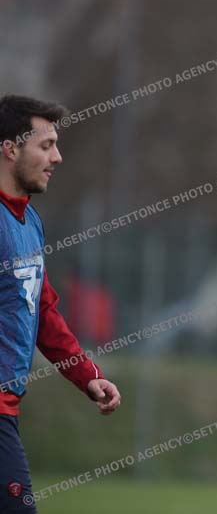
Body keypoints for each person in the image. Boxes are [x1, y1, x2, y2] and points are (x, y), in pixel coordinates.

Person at [0, 95, 121, 513]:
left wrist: (87, 375)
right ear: (10, 148)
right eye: (46, 145)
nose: (57, 157)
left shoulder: (28, 220)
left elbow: (43, 311)